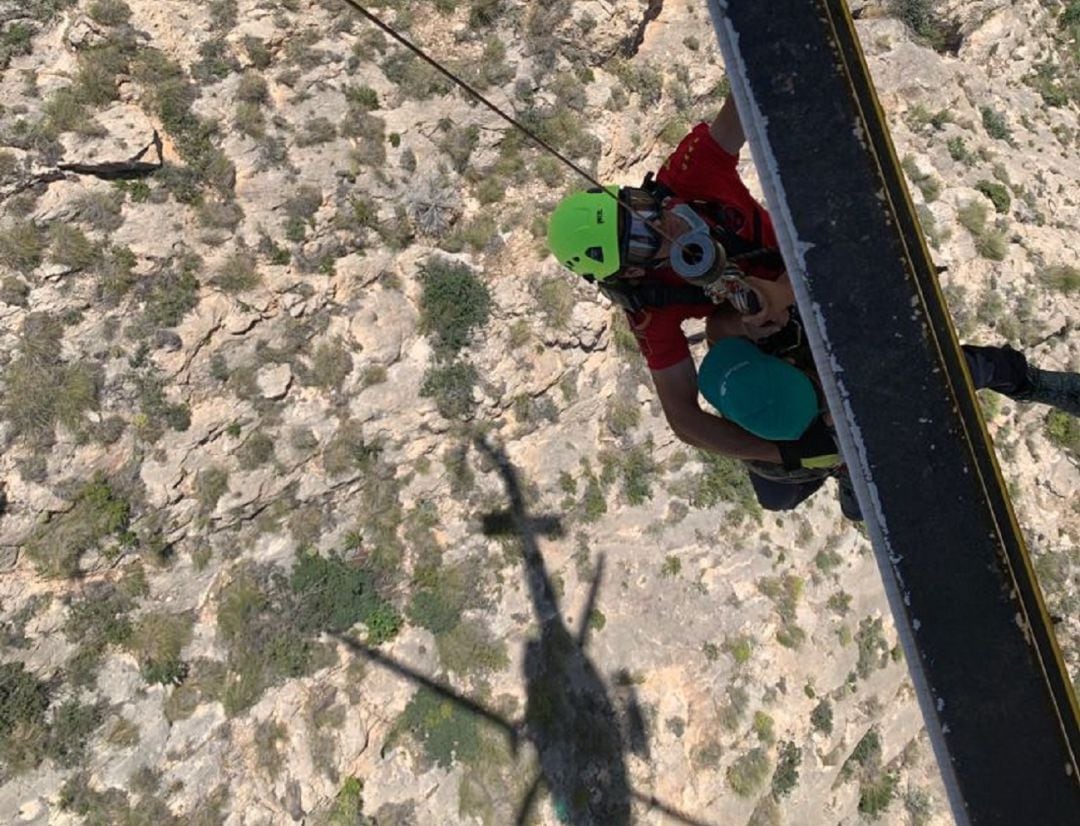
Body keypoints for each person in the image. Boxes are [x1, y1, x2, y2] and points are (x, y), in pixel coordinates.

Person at [546, 95, 1080, 520]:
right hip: (778, 331)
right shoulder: (650, 305)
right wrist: (780, 454)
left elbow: (746, 99)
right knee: (770, 471)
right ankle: (837, 468)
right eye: (641, 245)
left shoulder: (687, 177)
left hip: (829, 279)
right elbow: (684, 417)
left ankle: (1022, 379)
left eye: (639, 213)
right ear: (631, 272)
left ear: (637, 195)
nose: (659, 231)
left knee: (937, 374)